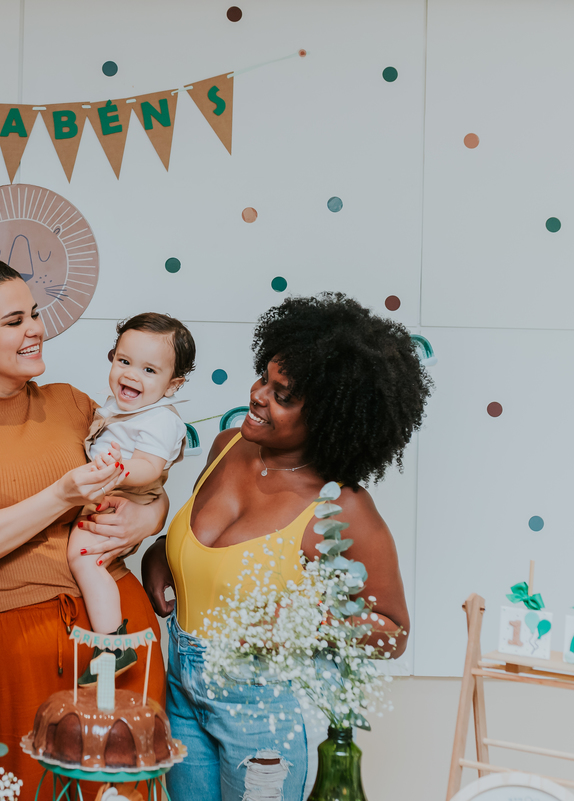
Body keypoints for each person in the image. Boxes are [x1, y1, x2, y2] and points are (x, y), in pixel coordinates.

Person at [140, 293, 431, 800]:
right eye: (263, 379)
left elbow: (394, 633)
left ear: (329, 417)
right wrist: (161, 554)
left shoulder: (342, 509)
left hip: (263, 712)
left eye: (283, 394)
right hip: (181, 686)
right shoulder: (228, 445)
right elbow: (212, 550)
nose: (257, 395)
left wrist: (309, 619)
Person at [0, 257, 170, 789]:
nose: (36, 329)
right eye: (14, 320)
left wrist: (146, 517)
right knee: (21, 786)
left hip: (117, 621)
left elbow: (144, 483)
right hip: (11, 639)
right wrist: (60, 494)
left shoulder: (72, 404)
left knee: (126, 791)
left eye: (35, 314)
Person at [71, 313, 195, 684]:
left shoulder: (159, 420)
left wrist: (119, 469)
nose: (131, 375)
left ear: (173, 385)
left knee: (82, 556)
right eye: (123, 361)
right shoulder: (119, 406)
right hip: (112, 489)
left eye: (149, 370)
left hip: (126, 490)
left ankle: (111, 643)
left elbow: (150, 468)